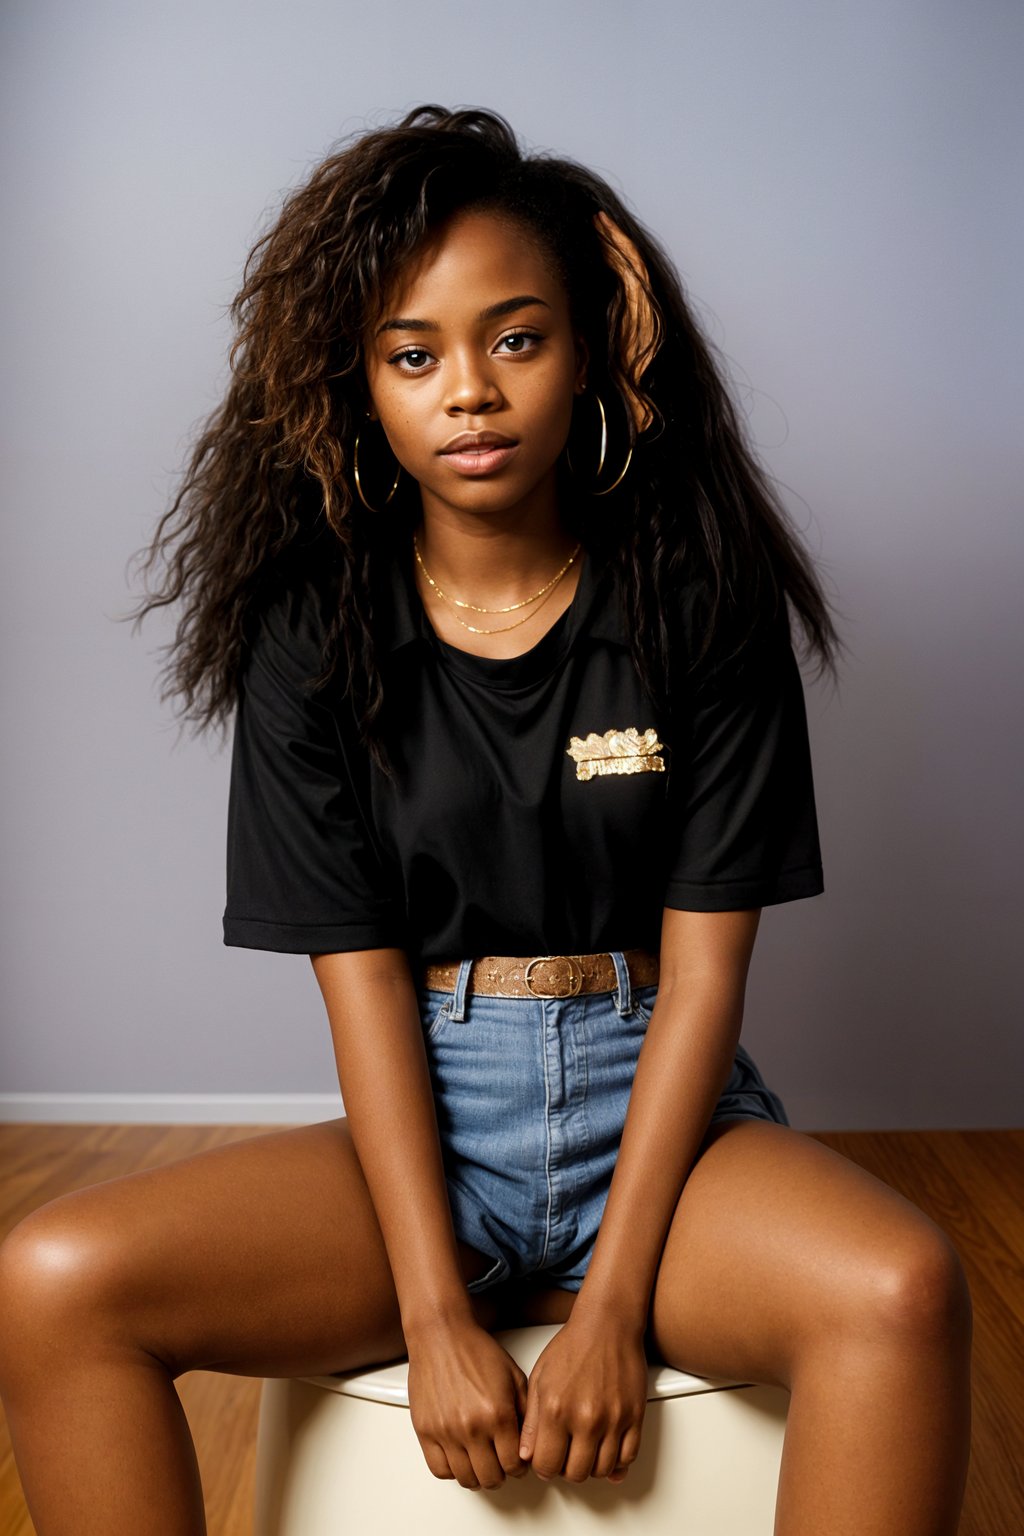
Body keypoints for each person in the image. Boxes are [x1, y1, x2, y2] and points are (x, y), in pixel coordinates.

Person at [0, 106, 971, 1533]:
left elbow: (708, 976)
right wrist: (432, 1307)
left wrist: (613, 1308)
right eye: (414, 354)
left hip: (667, 1115)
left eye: (516, 337)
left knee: (902, 1289)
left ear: (589, 351)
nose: (469, 390)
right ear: (361, 387)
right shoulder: (308, 631)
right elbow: (366, 984)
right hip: (431, 1120)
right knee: (53, 1280)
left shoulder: (699, 597)